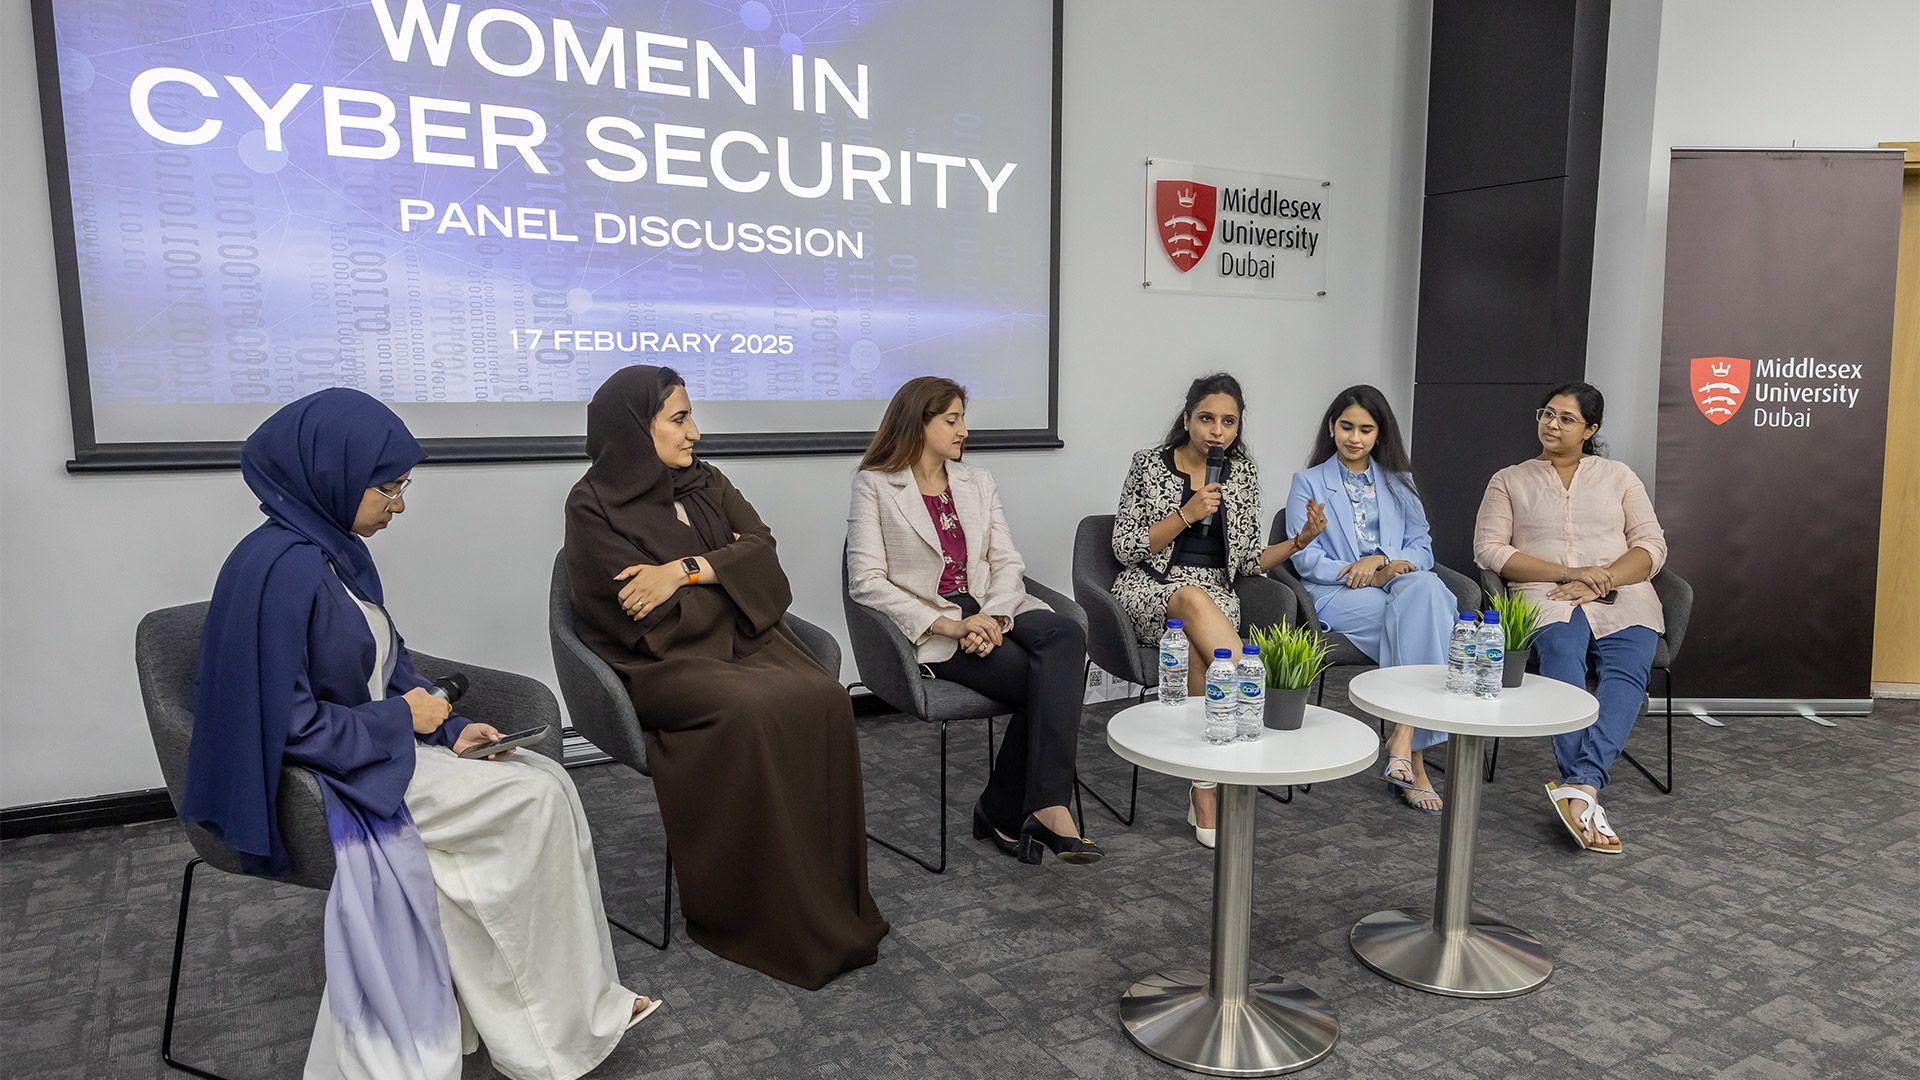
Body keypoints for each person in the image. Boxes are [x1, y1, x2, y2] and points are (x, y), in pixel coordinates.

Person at [178, 389, 652, 1080]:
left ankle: (560, 1012)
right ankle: (552, 1034)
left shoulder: (330, 550)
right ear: (334, 476)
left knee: (547, 777)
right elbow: (287, 729)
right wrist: (405, 721)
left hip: (376, 746)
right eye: (390, 488)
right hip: (333, 773)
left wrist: (454, 728)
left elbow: (386, 664)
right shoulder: (281, 571)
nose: (399, 505)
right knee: (535, 801)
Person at [563, 364, 888, 989]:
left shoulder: (707, 481)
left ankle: (825, 897)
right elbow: (636, 611)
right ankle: (755, 912)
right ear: (636, 428)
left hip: (745, 642)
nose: (695, 434)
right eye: (679, 419)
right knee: (754, 710)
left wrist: (682, 570)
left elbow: (762, 550)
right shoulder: (591, 505)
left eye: (691, 417)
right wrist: (726, 577)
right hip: (662, 663)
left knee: (823, 694)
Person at [846, 377, 1101, 865]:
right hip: (937, 625)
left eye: (963, 418)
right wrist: (950, 626)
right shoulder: (875, 484)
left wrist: (992, 617)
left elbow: (1007, 563)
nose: (964, 430)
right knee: (1043, 682)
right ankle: (1017, 810)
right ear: (919, 422)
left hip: (994, 607)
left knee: (1067, 633)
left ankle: (1029, 807)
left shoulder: (977, 481)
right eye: (952, 420)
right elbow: (867, 581)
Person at [1111, 373, 1326, 846]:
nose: (1217, 432)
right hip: (1152, 586)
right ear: (1187, 418)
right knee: (1189, 601)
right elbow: (1126, 548)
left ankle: (1204, 787)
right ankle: (1260, 695)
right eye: (1207, 419)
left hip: (1216, 597)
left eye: (1228, 422)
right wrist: (1187, 513)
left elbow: (1249, 560)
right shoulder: (1148, 466)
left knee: (1195, 644)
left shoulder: (1242, 473)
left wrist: (1298, 541)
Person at [1474, 382, 1668, 856]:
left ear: (1590, 429)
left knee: (1629, 668)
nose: (1551, 424)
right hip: (1547, 593)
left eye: (1566, 418)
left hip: (1622, 593)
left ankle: (1581, 784)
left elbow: (1651, 546)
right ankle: (1584, 788)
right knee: (1563, 659)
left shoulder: (1620, 476)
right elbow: (1490, 550)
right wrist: (1571, 573)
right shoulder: (1509, 479)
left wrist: (1602, 579)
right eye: (1547, 414)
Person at [1285, 385, 1458, 814]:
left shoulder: (1399, 481)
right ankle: (1412, 757)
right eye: (1346, 427)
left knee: (1424, 589)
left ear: (1379, 434)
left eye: (1366, 429)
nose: (1355, 438)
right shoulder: (1308, 482)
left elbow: (1422, 547)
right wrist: (1359, 572)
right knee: (1429, 612)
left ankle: (1401, 740)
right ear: (1332, 427)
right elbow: (1305, 558)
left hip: (1396, 583)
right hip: (1338, 594)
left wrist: (1383, 563)